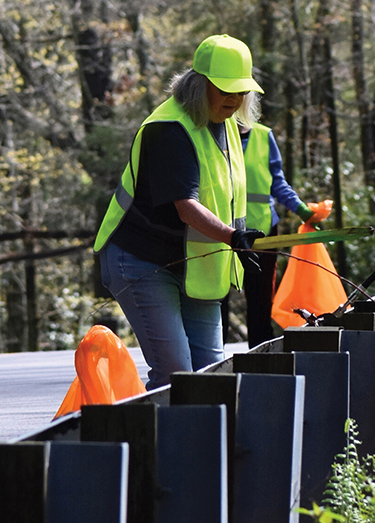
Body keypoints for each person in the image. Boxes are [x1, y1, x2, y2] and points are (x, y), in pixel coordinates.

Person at [93, 34, 267, 390]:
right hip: (141, 261)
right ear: (199, 85)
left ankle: (203, 430)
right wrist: (232, 237)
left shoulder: (228, 126)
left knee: (212, 373)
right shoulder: (168, 129)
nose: (234, 99)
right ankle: (154, 428)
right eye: (225, 89)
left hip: (194, 265)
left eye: (241, 91)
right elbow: (185, 206)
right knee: (175, 374)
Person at [229, 121, 324, 347]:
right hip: (220, 230)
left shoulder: (263, 136)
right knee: (216, 299)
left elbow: (277, 182)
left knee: (260, 300)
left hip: (263, 232)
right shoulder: (213, 130)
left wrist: (302, 210)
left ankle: (261, 357)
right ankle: (213, 362)